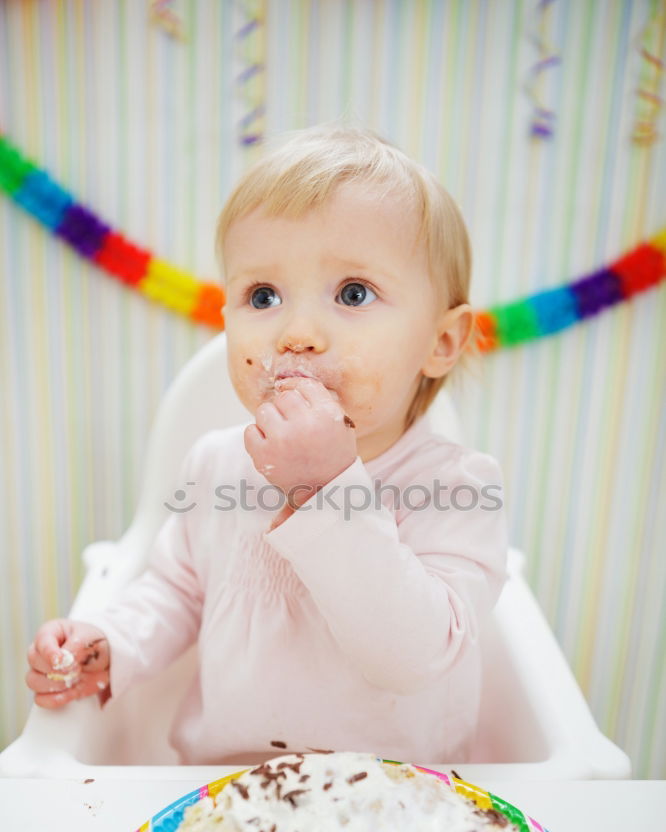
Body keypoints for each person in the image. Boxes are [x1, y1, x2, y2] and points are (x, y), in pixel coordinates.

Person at [25, 123, 507, 764]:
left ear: (441, 342)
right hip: (230, 792)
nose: (296, 332)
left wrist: (326, 490)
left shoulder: (458, 490)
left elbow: (413, 656)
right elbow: (175, 593)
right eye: (262, 295)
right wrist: (112, 644)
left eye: (353, 293)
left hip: (396, 803)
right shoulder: (216, 466)